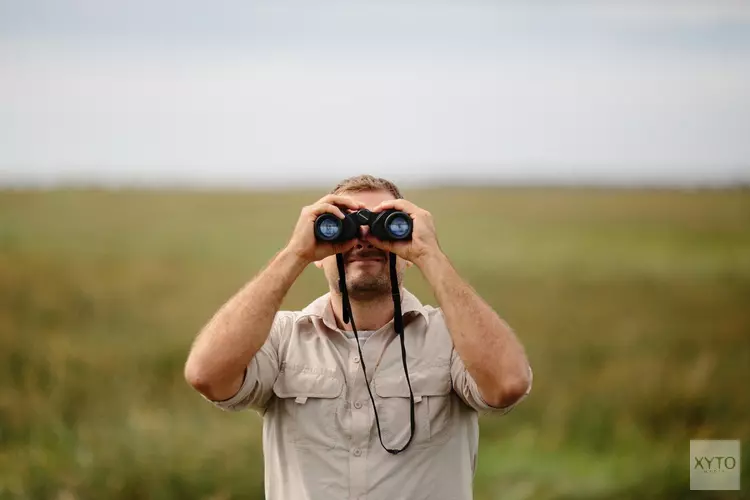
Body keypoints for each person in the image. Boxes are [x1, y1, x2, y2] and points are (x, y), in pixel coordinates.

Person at [184, 174, 533, 500]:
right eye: (344, 226)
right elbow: (207, 375)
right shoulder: (282, 338)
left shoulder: (452, 337)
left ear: (407, 251)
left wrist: (431, 255)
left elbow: (507, 385)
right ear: (320, 253)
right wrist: (295, 254)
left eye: (386, 226)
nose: (364, 241)